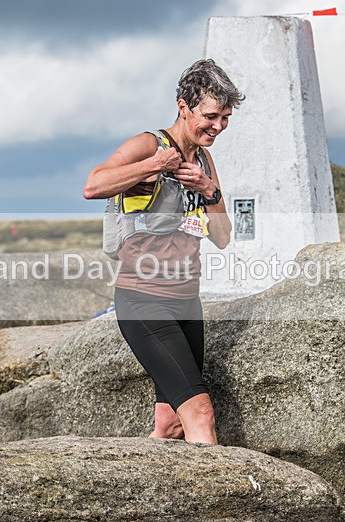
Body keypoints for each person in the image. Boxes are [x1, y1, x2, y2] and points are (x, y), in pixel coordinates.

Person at [83, 59, 244, 445]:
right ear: (183, 107)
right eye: (210, 116)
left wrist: (210, 192)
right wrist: (154, 164)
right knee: (201, 413)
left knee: (171, 426)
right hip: (144, 300)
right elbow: (93, 185)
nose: (218, 126)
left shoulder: (205, 160)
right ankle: (219, 505)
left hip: (188, 303)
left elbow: (222, 237)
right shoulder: (148, 144)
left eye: (225, 117)